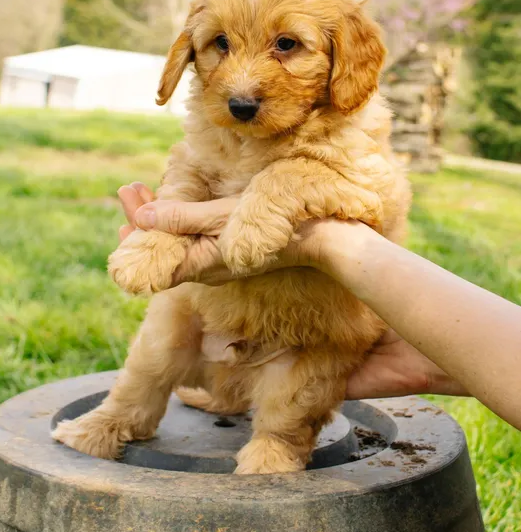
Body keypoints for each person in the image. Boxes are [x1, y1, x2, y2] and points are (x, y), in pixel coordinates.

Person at [116, 182, 521, 432]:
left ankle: (278, 445)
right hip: (238, 326)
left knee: (281, 436)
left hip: (309, 338)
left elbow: (374, 186)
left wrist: (320, 238)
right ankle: (124, 416)